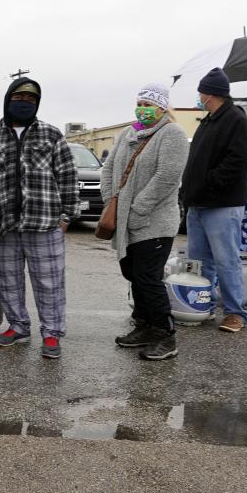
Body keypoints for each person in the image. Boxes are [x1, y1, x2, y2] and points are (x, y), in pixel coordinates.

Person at [0, 78, 77, 360]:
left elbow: (67, 177)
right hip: (0, 225)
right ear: (8, 100)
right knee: (8, 281)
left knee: (50, 282)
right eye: (19, 98)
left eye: (31, 99)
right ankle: (18, 326)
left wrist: (66, 216)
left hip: (44, 223)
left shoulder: (51, 136)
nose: (24, 103)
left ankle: (52, 332)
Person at [100, 83, 189, 360]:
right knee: (133, 274)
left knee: (148, 278)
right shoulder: (128, 133)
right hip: (126, 220)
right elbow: (109, 168)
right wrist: (109, 199)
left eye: (149, 104)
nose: (143, 109)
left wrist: (139, 208)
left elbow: (167, 176)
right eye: (140, 103)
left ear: (163, 107)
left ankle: (165, 334)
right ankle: (144, 326)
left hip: (155, 222)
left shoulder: (171, 133)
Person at [180, 69, 247, 333]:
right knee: (199, 260)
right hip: (198, 202)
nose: (199, 97)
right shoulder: (207, 120)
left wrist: (211, 181)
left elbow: (238, 159)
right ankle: (202, 304)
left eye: (201, 92)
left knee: (226, 260)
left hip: (222, 203)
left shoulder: (235, 119)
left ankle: (235, 313)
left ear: (210, 94)